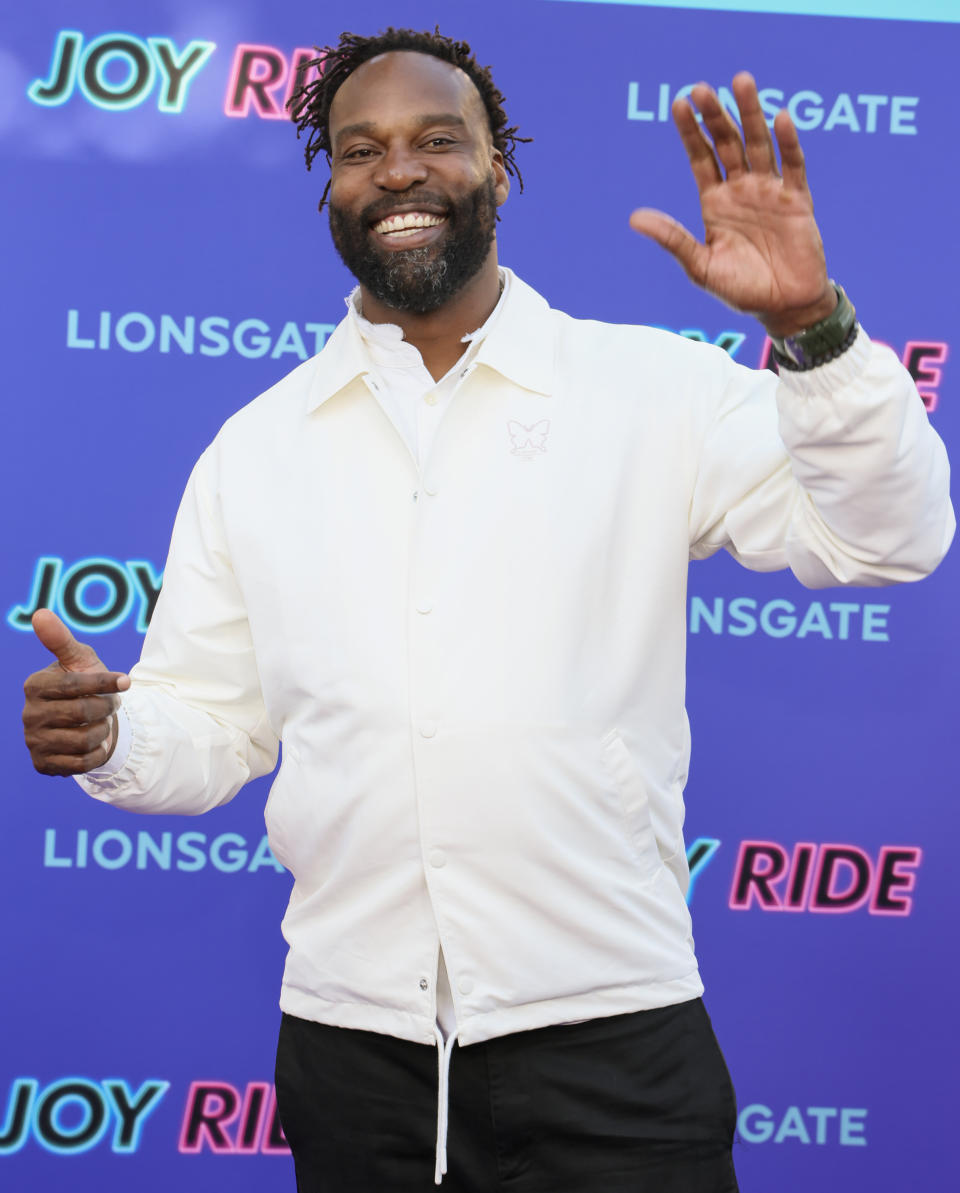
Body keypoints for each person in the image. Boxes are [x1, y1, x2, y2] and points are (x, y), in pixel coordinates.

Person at [21, 27, 953, 1193]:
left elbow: (891, 538)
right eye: (360, 149)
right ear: (330, 185)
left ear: (499, 166)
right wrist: (116, 736)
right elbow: (210, 728)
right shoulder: (255, 451)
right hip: (353, 1059)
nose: (398, 171)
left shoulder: (648, 390)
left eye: (437, 140)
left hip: (615, 1039)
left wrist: (812, 330)